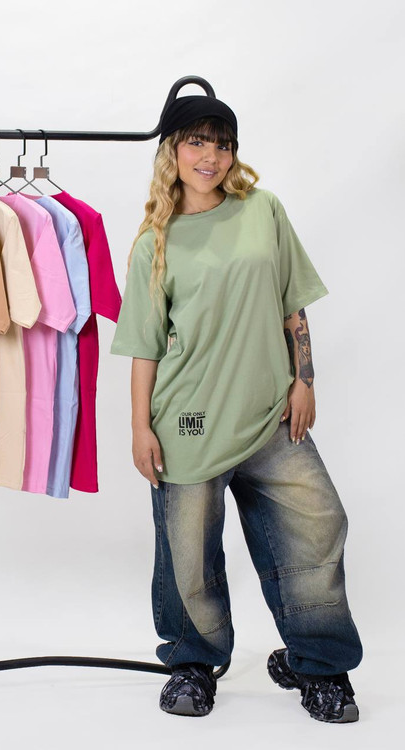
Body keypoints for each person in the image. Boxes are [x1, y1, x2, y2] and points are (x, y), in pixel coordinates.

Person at [110, 95, 363, 723]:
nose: (211, 156)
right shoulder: (154, 244)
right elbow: (144, 348)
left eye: (222, 144)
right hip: (188, 424)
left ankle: (319, 666)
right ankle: (193, 665)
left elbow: (290, 301)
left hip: (270, 415)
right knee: (188, 554)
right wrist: (139, 427)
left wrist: (304, 378)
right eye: (196, 141)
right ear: (171, 150)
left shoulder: (262, 210)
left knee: (318, 524)